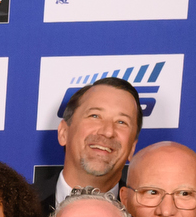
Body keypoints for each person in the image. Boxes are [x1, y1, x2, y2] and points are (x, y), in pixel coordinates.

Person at [34, 77, 142, 209]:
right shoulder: (16, 208)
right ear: (63, 133)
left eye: (121, 122)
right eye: (95, 116)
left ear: (132, 148)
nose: (108, 132)